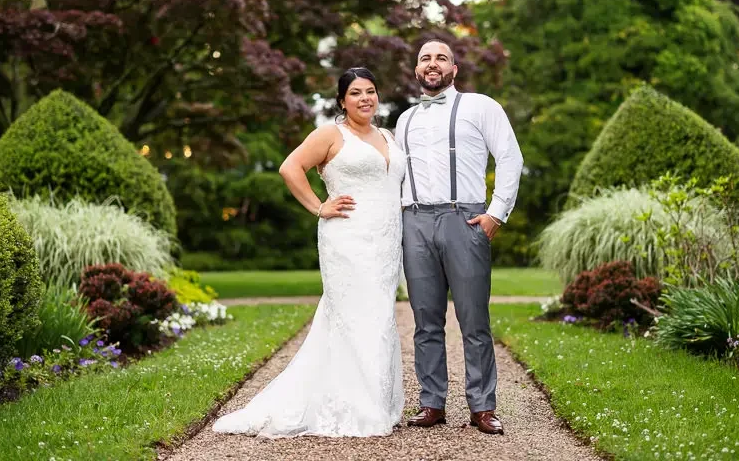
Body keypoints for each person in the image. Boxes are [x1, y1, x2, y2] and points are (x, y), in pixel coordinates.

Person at [212, 67, 406, 438]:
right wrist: (319, 206)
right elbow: (290, 168)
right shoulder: (331, 135)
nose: (365, 98)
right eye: (355, 93)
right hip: (347, 238)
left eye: (371, 91)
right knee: (355, 316)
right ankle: (357, 409)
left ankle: (376, 401)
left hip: (385, 242)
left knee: (379, 317)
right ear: (341, 101)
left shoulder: (387, 136)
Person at [395, 40, 523, 436]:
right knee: (425, 322)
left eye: (440, 58)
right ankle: (432, 403)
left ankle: (482, 406)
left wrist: (495, 214)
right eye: (424, 58)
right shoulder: (404, 120)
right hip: (414, 221)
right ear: (416, 70)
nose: (432, 64)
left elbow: (509, 156)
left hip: (464, 219)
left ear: (454, 67)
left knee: (473, 320)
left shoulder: (481, 106)